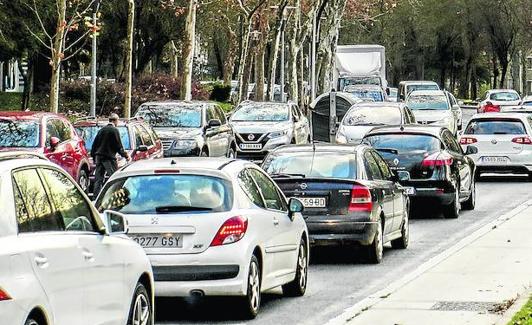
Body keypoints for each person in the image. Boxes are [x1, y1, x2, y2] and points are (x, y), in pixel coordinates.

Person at [91, 113, 130, 196]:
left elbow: (94, 145)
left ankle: (96, 197)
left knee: (98, 179)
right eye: (117, 121)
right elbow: (118, 146)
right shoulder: (114, 130)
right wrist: (126, 156)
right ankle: (114, 196)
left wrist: (94, 157)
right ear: (115, 121)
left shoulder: (101, 130)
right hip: (108, 158)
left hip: (99, 157)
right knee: (114, 178)